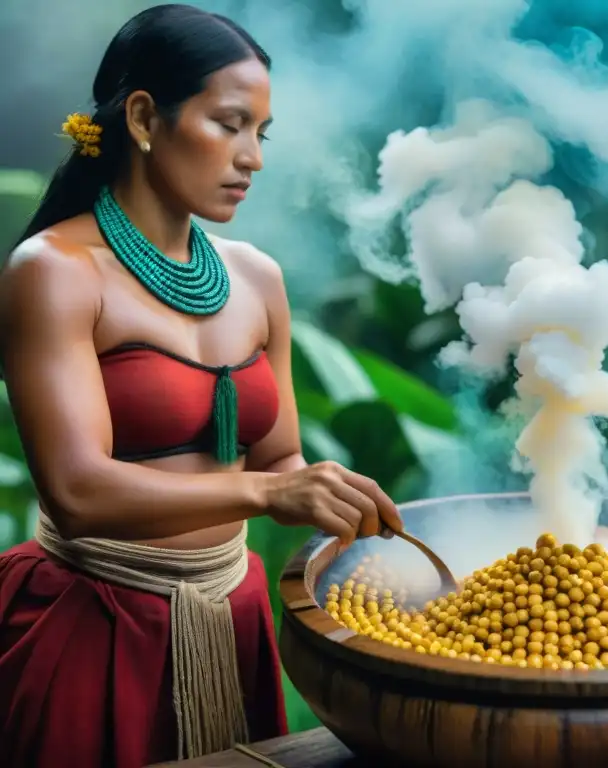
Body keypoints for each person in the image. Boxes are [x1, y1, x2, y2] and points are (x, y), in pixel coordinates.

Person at [0, 5, 404, 767]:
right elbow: (77, 491)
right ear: (147, 118)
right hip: (99, 625)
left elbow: (280, 459)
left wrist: (340, 508)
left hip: (231, 613)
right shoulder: (54, 273)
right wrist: (265, 496)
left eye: (263, 132)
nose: (253, 157)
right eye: (229, 124)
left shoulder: (257, 278)